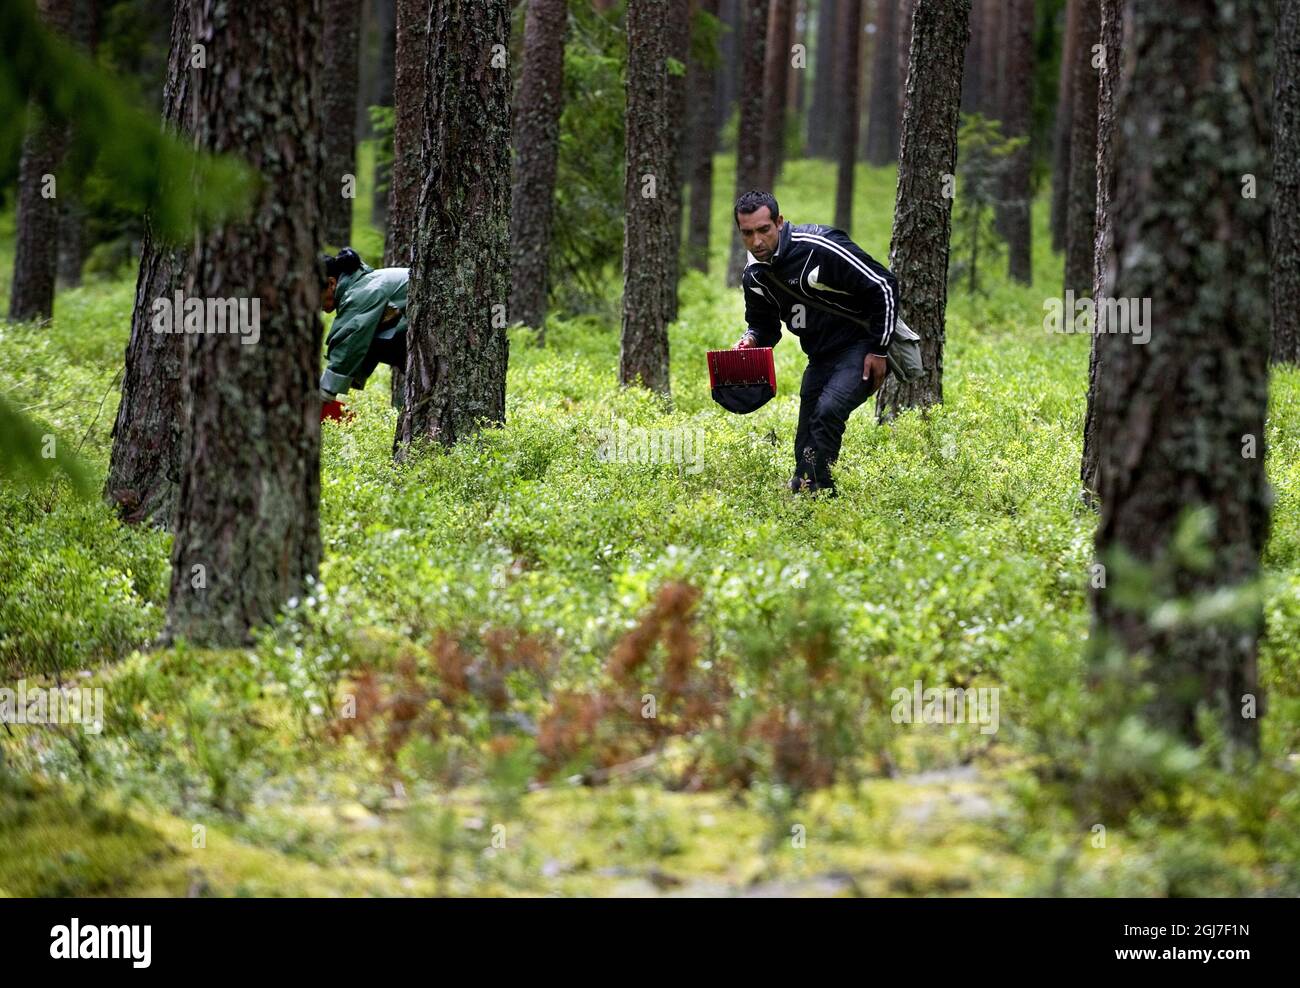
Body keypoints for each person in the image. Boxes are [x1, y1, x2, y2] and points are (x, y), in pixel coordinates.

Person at [732, 189, 898, 495]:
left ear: (779, 223)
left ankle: (821, 490)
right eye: (747, 233)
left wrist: (879, 349)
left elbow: (883, 285)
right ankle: (804, 487)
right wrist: (751, 339)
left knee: (828, 410)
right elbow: (764, 326)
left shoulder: (819, 247)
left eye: (764, 230)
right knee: (807, 429)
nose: (757, 241)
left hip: (860, 344)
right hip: (820, 355)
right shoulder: (754, 276)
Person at [318, 248, 409, 409]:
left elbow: (350, 342)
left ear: (331, 283)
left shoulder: (361, 293)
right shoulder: (359, 287)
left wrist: (323, 395)